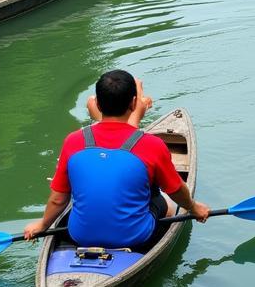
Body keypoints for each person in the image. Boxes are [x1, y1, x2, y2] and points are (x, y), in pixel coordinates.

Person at [23, 70, 210, 247]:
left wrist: (42, 225)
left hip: (80, 235)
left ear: (97, 104)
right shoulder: (152, 145)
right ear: (133, 103)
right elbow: (176, 189)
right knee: (164, 202)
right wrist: (194, 208)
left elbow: (58, 200)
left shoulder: (73, 141)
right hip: (135, 237)